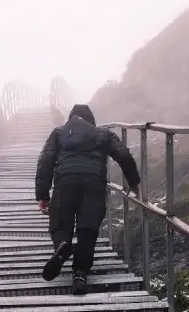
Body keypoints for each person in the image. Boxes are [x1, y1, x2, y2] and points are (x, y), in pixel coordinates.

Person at [35, 103, 141, 294]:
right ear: (92, 120)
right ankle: (80, 275)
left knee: (60, 223)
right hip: (94, 184)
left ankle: (62, 245)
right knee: (87, 230)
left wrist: (43, 195)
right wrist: (134, 183)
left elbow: (45, 161)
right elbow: (123, 155)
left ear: (70, 119)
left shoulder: (58, 133)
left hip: (65, 182)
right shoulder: (103, 134)